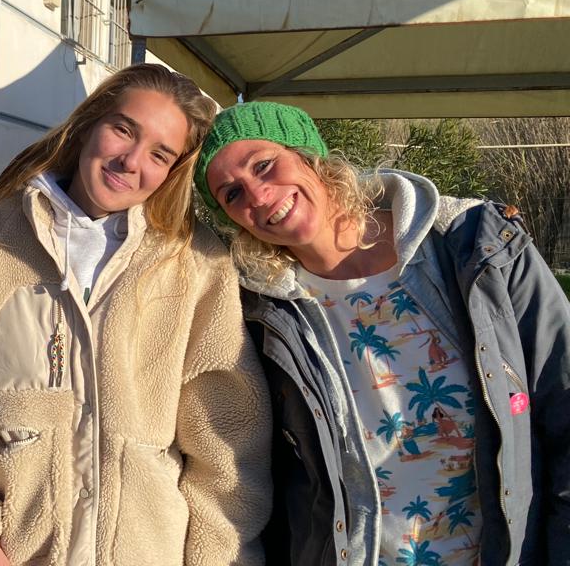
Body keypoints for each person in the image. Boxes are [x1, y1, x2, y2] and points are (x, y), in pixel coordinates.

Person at [193, 101, 570, 565]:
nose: (257, 194)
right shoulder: (260, 313)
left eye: (264, 165)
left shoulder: (476, 245)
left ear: (308, 154)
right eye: (232, 194)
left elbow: (562, 400)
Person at [0, 63, 272, 566]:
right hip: (13, 555)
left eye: (159, 154)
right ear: (89, 123)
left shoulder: (195, 263)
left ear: (173, 170)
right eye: (124, 130)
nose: (130, 161)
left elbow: (228, 444)